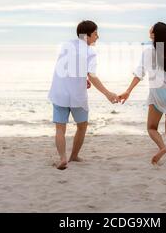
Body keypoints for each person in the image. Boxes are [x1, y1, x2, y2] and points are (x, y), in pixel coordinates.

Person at [48, 20, 119, 170]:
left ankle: (62, 158)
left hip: (59, 91)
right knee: (82, 126)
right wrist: (107, 93)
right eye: (95, 33)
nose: (97, 37)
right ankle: (73, 155)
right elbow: (92, 75)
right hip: (76, 96)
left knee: (60, 129)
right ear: (87, 36)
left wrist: (82, 79)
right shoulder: (90, 52)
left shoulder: (66, 45)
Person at [119, 22, 166, 169]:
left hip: (157, 96)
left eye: (151, 29)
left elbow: (139, 74)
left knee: (151, 128)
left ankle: (162, 148)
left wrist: (128, 91)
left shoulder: (148, 53)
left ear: (154, 35)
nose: (149, 30)